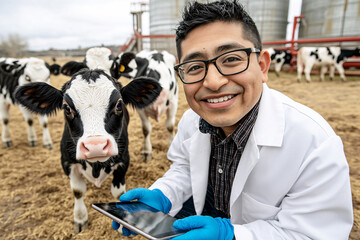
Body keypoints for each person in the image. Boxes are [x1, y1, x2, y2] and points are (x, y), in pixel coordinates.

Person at [113, 0, 353, 239]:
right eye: (195, 66)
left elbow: (314, 234)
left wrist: (230, 235)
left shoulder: (315, 144)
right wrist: (164, 194)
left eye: (231, 59)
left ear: (262, 66)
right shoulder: (191, 120)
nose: (213, 82)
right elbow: (184, 168)